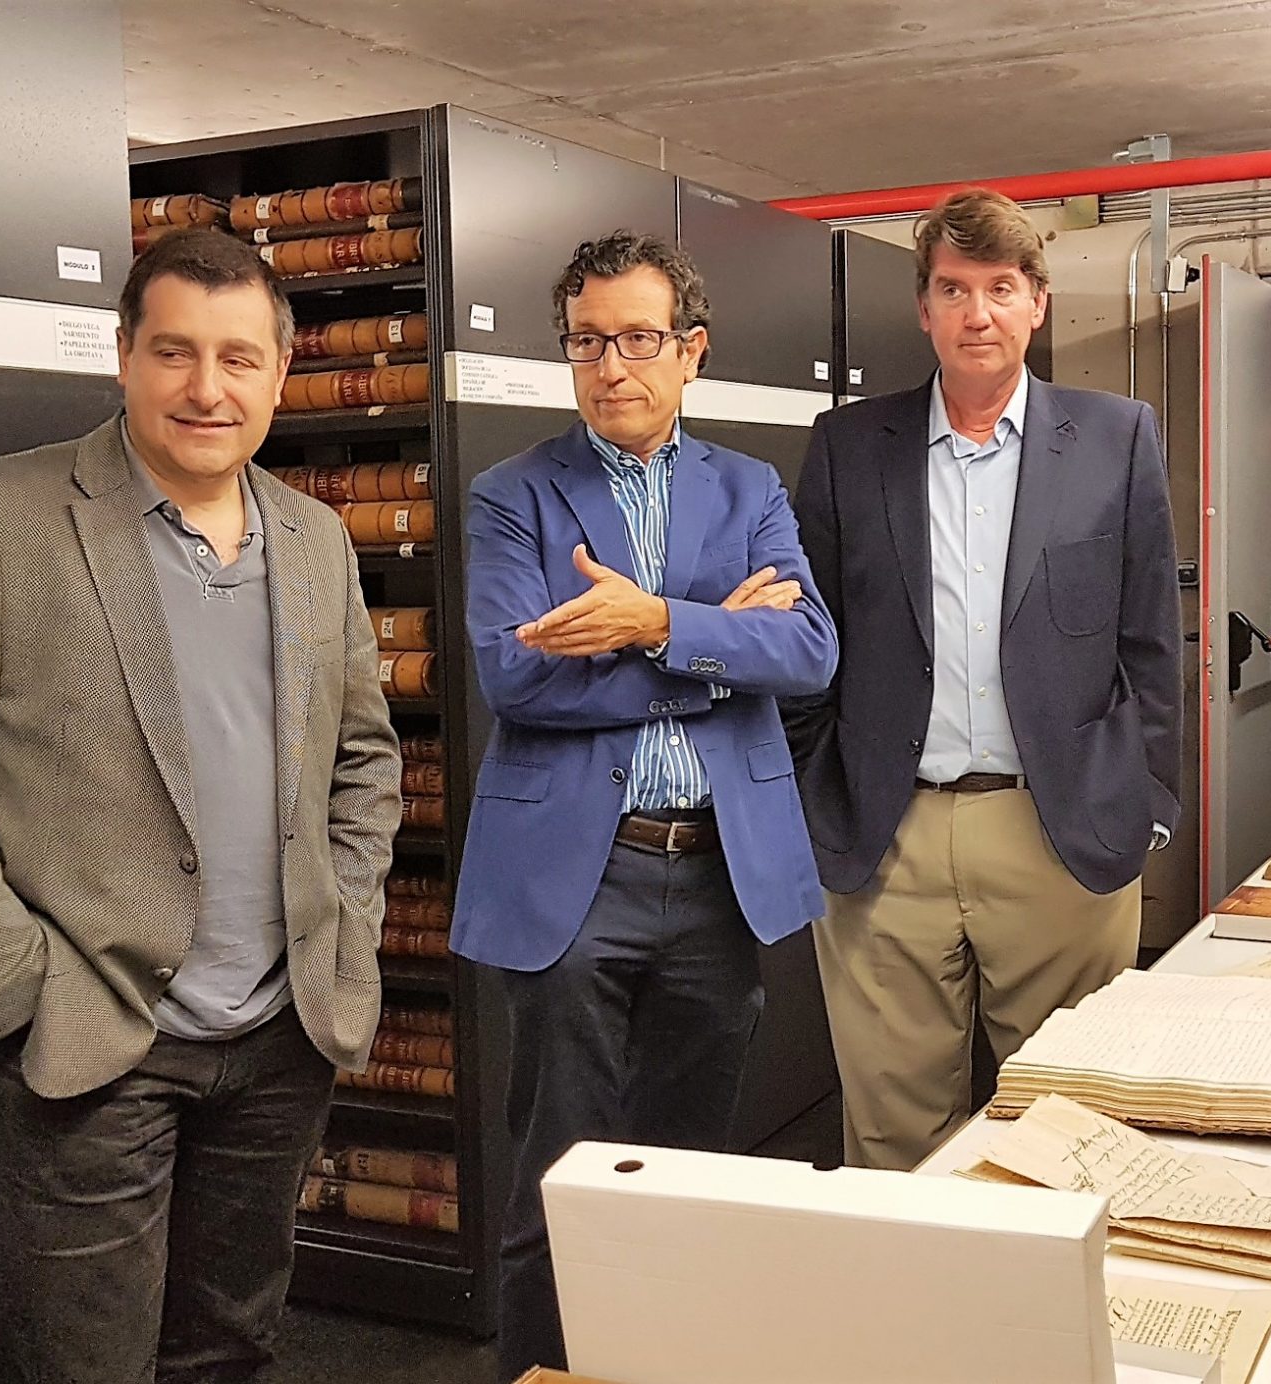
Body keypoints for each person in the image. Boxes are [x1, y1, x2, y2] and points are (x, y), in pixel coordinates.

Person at [0, 228, 403, 1384]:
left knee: (231, 1347)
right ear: (123, 357)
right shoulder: (0, 517)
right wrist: (15, 979)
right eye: (175, 352)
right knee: (85, 1364)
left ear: (280, 373)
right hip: (93, 1041)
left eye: (239, 358)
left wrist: (341, 918)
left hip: (280, 1036)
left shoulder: (314, 537)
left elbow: (362, 758)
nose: (207, 388)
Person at [451, 230, 837, 1380]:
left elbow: (809, 649)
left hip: (717, 874)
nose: (610, 365)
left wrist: (650, 620)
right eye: (586, 341)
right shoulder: (512, 495)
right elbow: (516, 674)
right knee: (558, 1179)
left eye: (636, 338)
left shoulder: (750, 486)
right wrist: (722, 634)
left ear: (689, 350)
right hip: (577, 874)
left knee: (683, 1177)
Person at [785, 188, 1183, 1171]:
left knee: (1069, 1138)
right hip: (885, 841)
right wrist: (811, 793)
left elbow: (1150, 641)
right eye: (953, 289)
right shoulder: (846, 448)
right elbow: (804, 637)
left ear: (1035, 302)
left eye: (999, 287)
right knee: (890, 1140)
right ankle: (906, 1328)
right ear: (921, 307)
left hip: (1057, 833)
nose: (977, 313)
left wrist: (1148, 801)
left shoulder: (1113, 438)